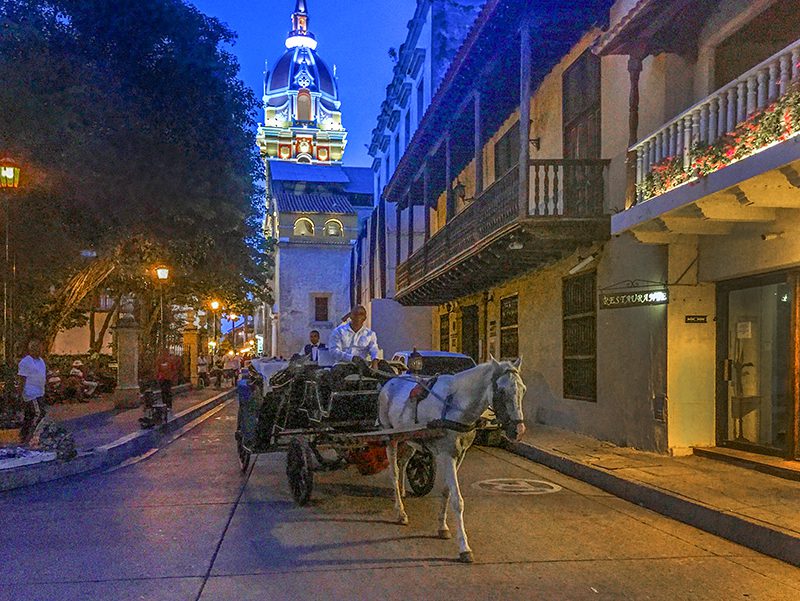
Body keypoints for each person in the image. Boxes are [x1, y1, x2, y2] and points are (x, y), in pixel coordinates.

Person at [328, 305, 380, 370]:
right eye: (355, 314)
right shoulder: (339, 331)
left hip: (361, 367)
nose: (358, 317)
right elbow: (334, 351)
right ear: (350, 316)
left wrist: (375, 362)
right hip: (342, 365)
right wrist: (351, 358)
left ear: (365, 317)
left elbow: (374, 349)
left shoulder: (370, 334)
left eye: (361, 314)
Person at [17, 339, 47, 443]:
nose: (40, 350)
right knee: (39, 413)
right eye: (37, 348)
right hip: (31, 394)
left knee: (29, 415)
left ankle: (24, 435)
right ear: (32, 349)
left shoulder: (41, 361)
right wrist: (20, 394)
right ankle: (31, 434)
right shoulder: (26, 362)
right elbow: (22, 379)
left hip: (40, 392)